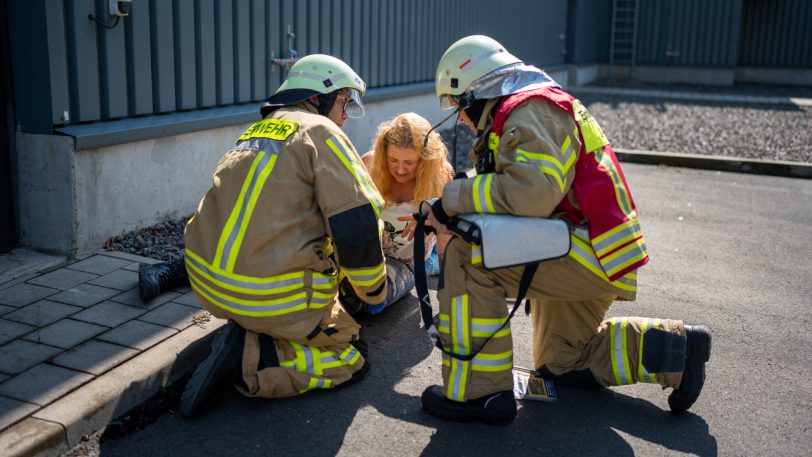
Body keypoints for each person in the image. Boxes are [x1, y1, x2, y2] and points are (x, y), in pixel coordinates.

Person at [419, 35, 712, 425]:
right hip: (593, 251)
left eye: (458, 104)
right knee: (562, 363)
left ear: (475, 91)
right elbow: (523, 190)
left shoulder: (530, 111)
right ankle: (676, 350)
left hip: (582, 253)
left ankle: (480, 394)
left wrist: (450, 199)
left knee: (466, 255)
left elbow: (529, 193)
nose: (459, 116)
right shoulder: (534, 107)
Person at [177, 54, 387, 417]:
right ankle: (252, 357)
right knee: (350, 354)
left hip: (207, 286)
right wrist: (373, 291)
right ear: (324, 97)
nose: (343, 117)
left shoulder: (254, 132)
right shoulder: (322, 132)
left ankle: (253, 331)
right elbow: (357, 220)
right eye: (344, 104)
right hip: (271, 298)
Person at [338, 113, 454, 315]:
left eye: (410, 162)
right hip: (364, 254)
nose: (400, 169)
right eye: (393, 160)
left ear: (426, 159)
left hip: (403, 263)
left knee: (363, 299)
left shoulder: (442, 176)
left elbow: (449, 233)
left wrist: (448, 292)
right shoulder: (369, 164)